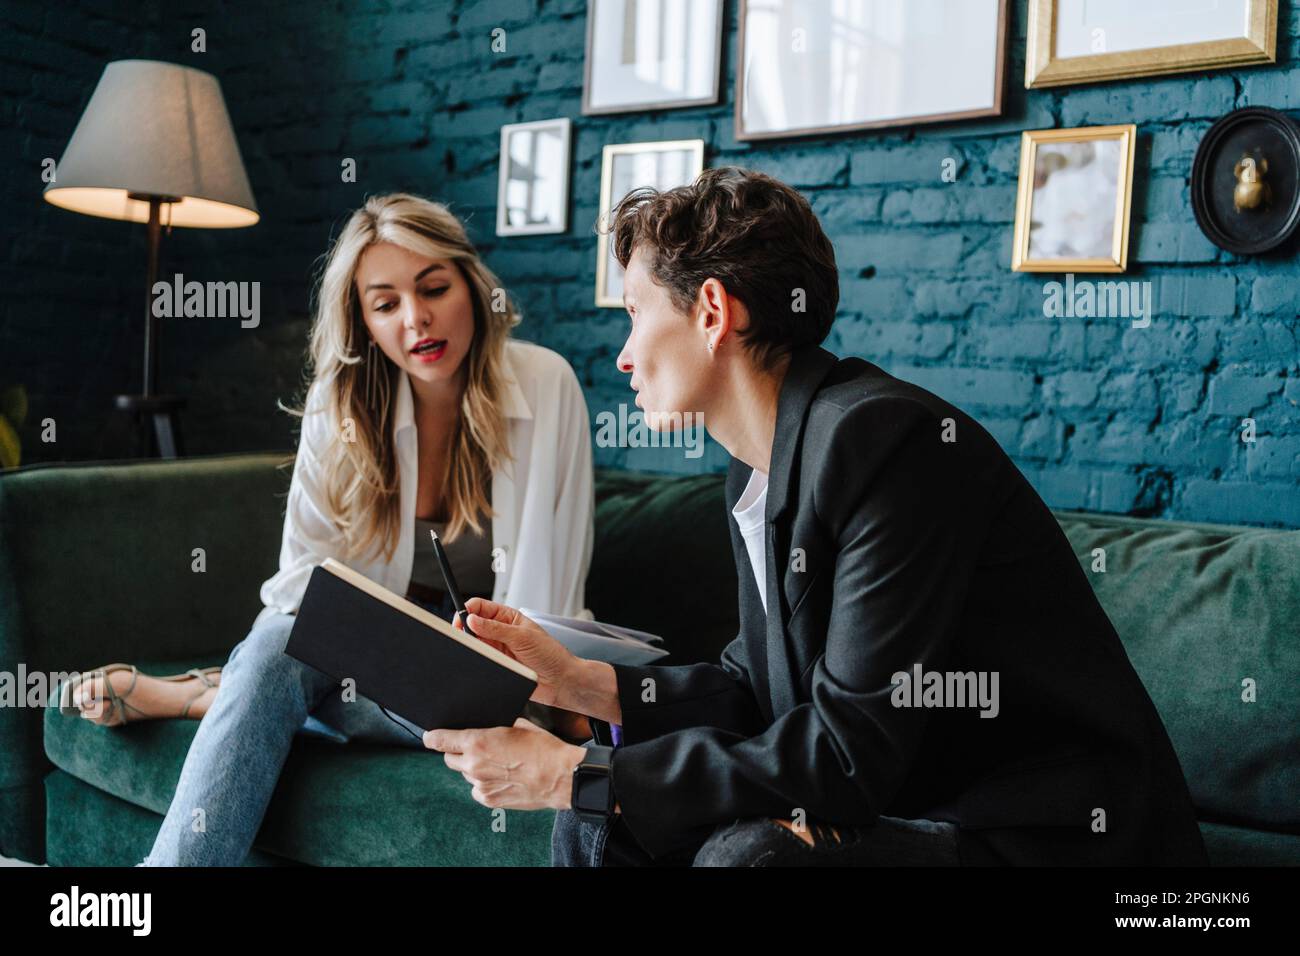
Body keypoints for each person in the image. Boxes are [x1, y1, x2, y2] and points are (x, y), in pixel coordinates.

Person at [422, 167, 1209, 868]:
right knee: (601, 826)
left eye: (634, 313)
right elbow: (760, 688)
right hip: (924, 808)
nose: (623, 355)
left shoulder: (884, 443)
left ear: (711, 312)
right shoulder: (760, 465)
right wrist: (582, 682)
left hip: (1042, 836)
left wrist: (576, 773)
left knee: (736, 849)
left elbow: (848, 750)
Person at [60, 192, 596, 866]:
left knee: (281, 677)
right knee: (277, 647)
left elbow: (552, 599)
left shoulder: (548, 385)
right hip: (356, 657)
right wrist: (373, 645)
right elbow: (298, 588)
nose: (417, 319)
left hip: (486, 667)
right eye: (386, 303)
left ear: (472, 284)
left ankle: (203, 696)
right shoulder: (339, 401)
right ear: (362, 319)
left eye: (435, 287)